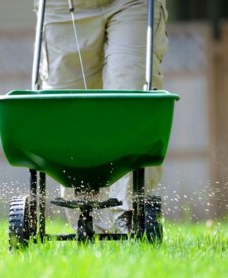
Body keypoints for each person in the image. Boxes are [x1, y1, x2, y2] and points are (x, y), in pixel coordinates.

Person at [33, 0, 169, 233]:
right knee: (67, 108)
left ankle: (129, 214)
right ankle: (86, 218)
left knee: (131, 92)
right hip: (63, 5)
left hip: (132, 4)